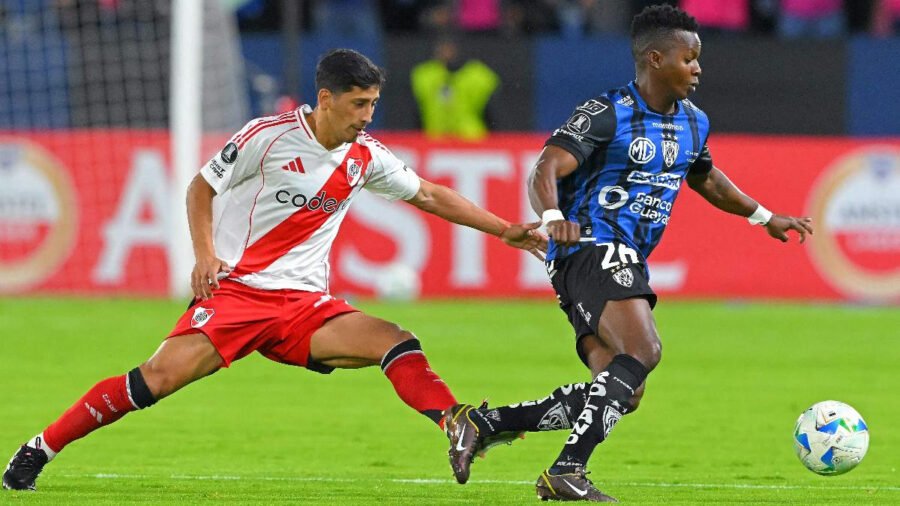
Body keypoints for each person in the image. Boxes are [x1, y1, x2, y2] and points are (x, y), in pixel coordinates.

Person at [2, 48, 546, 492]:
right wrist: (205, 255)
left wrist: (504, 229)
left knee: (395, 340)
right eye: (358, 104)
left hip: (305, 307)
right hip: (238, 294)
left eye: (373, 104)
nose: (366, 116)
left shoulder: (365, 156)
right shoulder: (267, 136)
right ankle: (39, 448)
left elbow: (428, 193)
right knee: (155, 380)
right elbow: (201, 187)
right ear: (326, 98)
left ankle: (456, 422)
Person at [442, 5, 813, 502]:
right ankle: (566, 471)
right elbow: (546, 167)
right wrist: (553, 217)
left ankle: (484, 423)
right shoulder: (607, 112)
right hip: (590, 245)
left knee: (622, 390)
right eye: (689, 58)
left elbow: (706, 179)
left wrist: (764, 216)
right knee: (644, 351)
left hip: (623, 255)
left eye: (698, 58)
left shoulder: (695, 122)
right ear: (655, 59)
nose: (698, 68)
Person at [410, 38, 499, 141]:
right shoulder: (425, 75)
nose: (447, 52)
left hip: (471, 141)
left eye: (450, 47)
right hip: (434, 140)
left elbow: (492, 115)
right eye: (443, 47)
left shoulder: (479, 76)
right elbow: (416, 114)